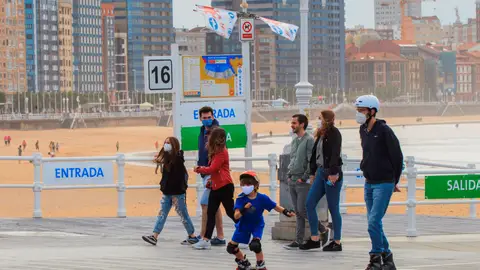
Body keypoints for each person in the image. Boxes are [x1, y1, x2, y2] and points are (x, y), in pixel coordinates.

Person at [355, 95, 403, 270]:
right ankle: (388, 259)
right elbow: (367, 154)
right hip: (369, 181)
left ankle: (375, 260)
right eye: (357, 111)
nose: (358, 114)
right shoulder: (363, 130)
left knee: (373, 221)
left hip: (384, 182)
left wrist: (395, 180)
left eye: (361, 111)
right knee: (373, 222)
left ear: (372, 111)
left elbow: (397, 156)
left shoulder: (384, 130)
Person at [227, 171, 295, 270]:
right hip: (243, 224)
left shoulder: (262, 198)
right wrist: (244, 209)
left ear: (255, 185)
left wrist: (285, 212)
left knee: (255, 245)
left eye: (248, 184)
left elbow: (275, 206)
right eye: (243, 184)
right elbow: (236, 216)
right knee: (231, 248)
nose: (245, 186)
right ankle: (243, 262)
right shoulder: (241, 199)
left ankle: (260, 264)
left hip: (257, 224)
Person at [301, 110, 343, 251]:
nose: (319, 120)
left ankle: (337, 241)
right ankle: (315, 238)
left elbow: (335, 154)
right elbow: (315, 154)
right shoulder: (320, 134)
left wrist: (333, 172)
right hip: (320, 173)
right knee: (309, 203)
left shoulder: (334, 133)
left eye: (321, 118)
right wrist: (312, 173)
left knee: (333, 207)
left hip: (331, 175)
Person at [142, 137, 197, 246]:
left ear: (174, 145)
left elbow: (178, 177)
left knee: (183, 214)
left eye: (169, 143)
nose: (166, 145)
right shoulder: (168, 157)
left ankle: (192, 236)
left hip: (177, 193)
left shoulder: (177, 159)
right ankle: (154, 236)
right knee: (162, 214)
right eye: (165, 143)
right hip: (167, 192)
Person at [284, 114, 327, 250]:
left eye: (294, 123)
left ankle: (323, 229)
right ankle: (298, 240)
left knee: (302, 210)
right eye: (292, 123)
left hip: (302, 181)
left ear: (302, 124)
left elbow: (310, 160)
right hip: (292, 179)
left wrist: (305, 176)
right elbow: (293, 159)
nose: (292, 125)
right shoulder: (295, 141)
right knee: (298, 211)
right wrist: (289, 175)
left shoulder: (309, 140)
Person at [193, 128, 236, 250]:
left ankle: (245, 232)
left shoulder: (221, 152)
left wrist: (199, 169)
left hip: (225, 186)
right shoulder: (217, 152)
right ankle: (206, 240)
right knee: (210, 212)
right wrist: (211, 181)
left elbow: (213, 168)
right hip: (216, 187)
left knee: (230, 211)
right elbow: (216, 171)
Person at [195, 106, 225, 246]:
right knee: (215, 206)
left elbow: (219, 155)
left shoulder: (216, 133)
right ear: (200, 118)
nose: (206, 120)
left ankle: (203, 236)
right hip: (205, 173)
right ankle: (220, 236)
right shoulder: (202, 131)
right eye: (204, 118)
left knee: (205, 204)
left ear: (213, 117)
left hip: (212, 174)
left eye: (209, 117)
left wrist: (208, 170)